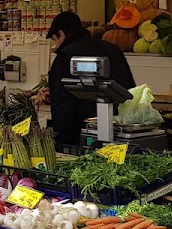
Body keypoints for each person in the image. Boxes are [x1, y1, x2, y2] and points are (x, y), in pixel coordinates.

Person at [46, 11, 136, 147]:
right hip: (120, 132)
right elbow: (130, 89)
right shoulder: (113, 50)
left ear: (61, 34)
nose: (56, 45)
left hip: (79, 135)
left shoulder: (65, 57)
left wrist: (61, 140)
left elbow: (62, 105)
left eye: (55, 39)